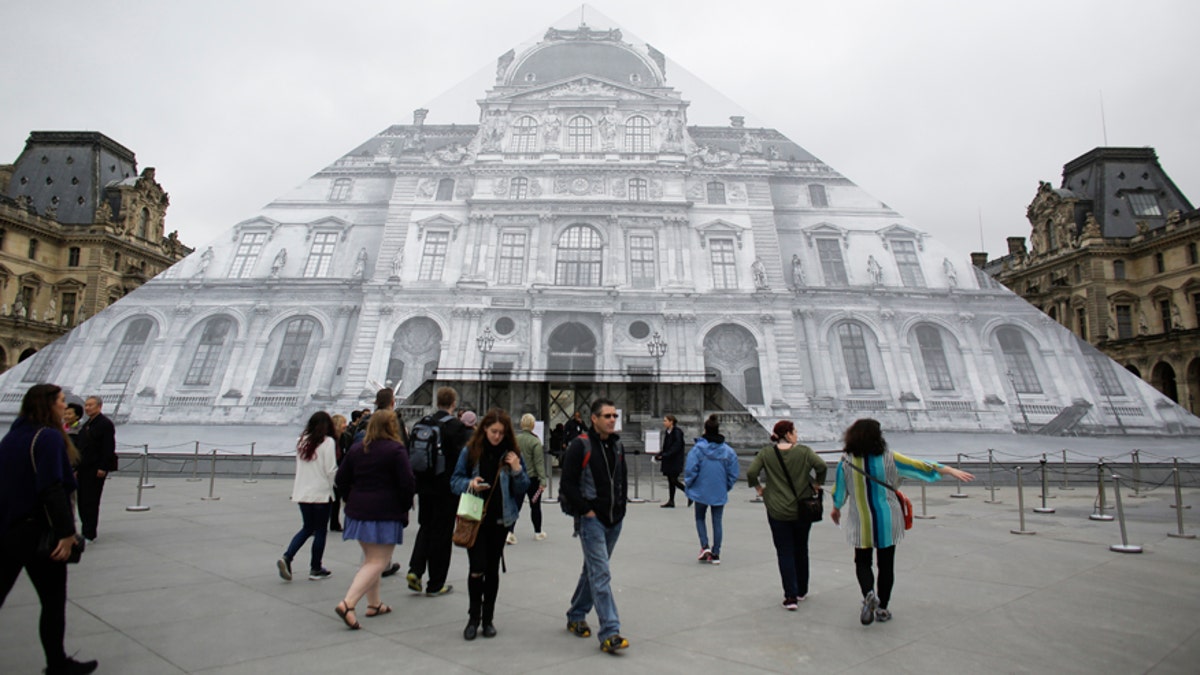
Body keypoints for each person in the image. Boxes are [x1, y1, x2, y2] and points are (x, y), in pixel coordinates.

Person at [830, 419, 975, 624]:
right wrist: (948, 469)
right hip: (888, 518)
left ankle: (868, 594)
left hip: (861, 519)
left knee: (862, 561)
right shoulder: (889, 458)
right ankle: (882, 608)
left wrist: (836, 508)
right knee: (886, 564)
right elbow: (920, 466)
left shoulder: (846, 461)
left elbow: (840, 490)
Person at [0, 384, 98, 674]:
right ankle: (57, 664)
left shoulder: (13, 436)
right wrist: (67, 534)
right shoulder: (49, 438)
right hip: (39, 533)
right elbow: (53, 489)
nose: (64, 406)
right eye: (60, 401)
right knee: (53, 603)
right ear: (47, 405)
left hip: (8, 530)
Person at [450, 408, 529, 640]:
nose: (497, 436)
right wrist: (470, 483)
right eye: (494, 431)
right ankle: (473, 617)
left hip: (500, 519)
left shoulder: (512, 454)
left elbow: (523, 486)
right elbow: (454, 480)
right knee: (476, 569)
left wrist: (516, 470)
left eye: (502, 433)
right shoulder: (471, 451)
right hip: (475, 519)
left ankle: (488, 618)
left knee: (492, 569)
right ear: (484, 429)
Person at [332, 410, 415, 629]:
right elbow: (407, 483)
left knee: (370, 559)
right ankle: (348, 603)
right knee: (379, 562)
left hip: (358, 512)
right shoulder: (396, 450)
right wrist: (404, 505)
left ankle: (374, 604)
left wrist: (351, 498)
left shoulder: (358, 449)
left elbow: (341, 478)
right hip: (385, 513)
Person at [560, 398, 630, 655]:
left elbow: (620, 479)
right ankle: (610, 631)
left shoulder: (618, 446)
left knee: (593, 569)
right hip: (593, 521)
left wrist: (622, 508)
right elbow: (567, 483)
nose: (612, 420)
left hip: (614, 519)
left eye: (614, 415)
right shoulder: (581, 446)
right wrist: (586, 509)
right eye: (607, 416)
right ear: (594, 419)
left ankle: (576, 613)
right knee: (601, 573)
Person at [746, 419, 827, 610]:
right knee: (801, 548)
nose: (797, 435)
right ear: (788, 434)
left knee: (784, 551)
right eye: (795, 431)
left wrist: (759, 488)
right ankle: (802, 590)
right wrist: (817, 483)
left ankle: (789, 595)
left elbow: (751, 472)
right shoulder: (804, 452)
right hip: (802, 509)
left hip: (777, 509)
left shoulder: (767, 453)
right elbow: (821, 466)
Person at [406, 386, 470, 596]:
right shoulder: (455, 427)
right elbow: (464, 458)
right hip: (446, 489)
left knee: (425, 527)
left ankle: (415, 570)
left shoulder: (423, 423)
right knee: (442, 535)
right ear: (453, 403)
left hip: (424, 486)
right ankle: (436, 583)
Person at [277, 412, 338, 582]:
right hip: (321, 493)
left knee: (307, 528)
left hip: (302, 492)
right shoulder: (328, 442)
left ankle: (288, 556)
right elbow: (331, 469)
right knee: (320, 531)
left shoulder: (302, 441)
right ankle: (315, 567)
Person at [684, 415, 739, 564]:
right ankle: (716, 552)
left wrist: (689, 484)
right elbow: (733, 473)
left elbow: (690, 470)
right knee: (717, 521)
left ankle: (704, 545)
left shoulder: (697, 450)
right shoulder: (728, 451)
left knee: (700, 517)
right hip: (719, 489)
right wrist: (726, 486)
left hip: (700, 489)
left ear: (705, 430)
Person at [74, 396, 115, 542]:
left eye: (90, 405)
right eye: (86, 405)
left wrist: (103, 467)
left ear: (99, 406)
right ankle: (86, 528)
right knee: (83, 500)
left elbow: (108, 447)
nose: (87, 408)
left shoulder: (105, 424)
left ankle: (89, 532)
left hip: (95, 468)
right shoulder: (88, 424)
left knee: (91, 500)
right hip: (84, 468)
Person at [510, 413, 547, 543]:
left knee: (516, 505)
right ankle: (538, 532)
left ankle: (510, 531)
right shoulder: (535, 441)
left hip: (518, 477)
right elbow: (539, 463)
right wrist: (543, 480)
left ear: (521, 424)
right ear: (533, 425)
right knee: (535, 506)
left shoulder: (515, 440)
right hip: (533, 480)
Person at [656, 414, 686, 508]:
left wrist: (665, 455)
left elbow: (676, 446)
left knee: (673, 480)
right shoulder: (668, 432)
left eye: (665, 421)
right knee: (670, 480)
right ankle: (671, 500)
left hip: (675, 460)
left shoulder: (677, 432)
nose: (664, 422)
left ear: (671, 421)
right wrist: (660, 454)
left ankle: (689, 492)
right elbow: (666, 446)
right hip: (669, 460)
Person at [329, 413, 349, 531]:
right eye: (343, 423)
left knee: (337, 498)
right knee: (330, 499)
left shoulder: (344, 437)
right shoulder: (330, 440)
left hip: (340, 470)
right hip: (331, 470)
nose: (345, 426)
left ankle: (334, 522)